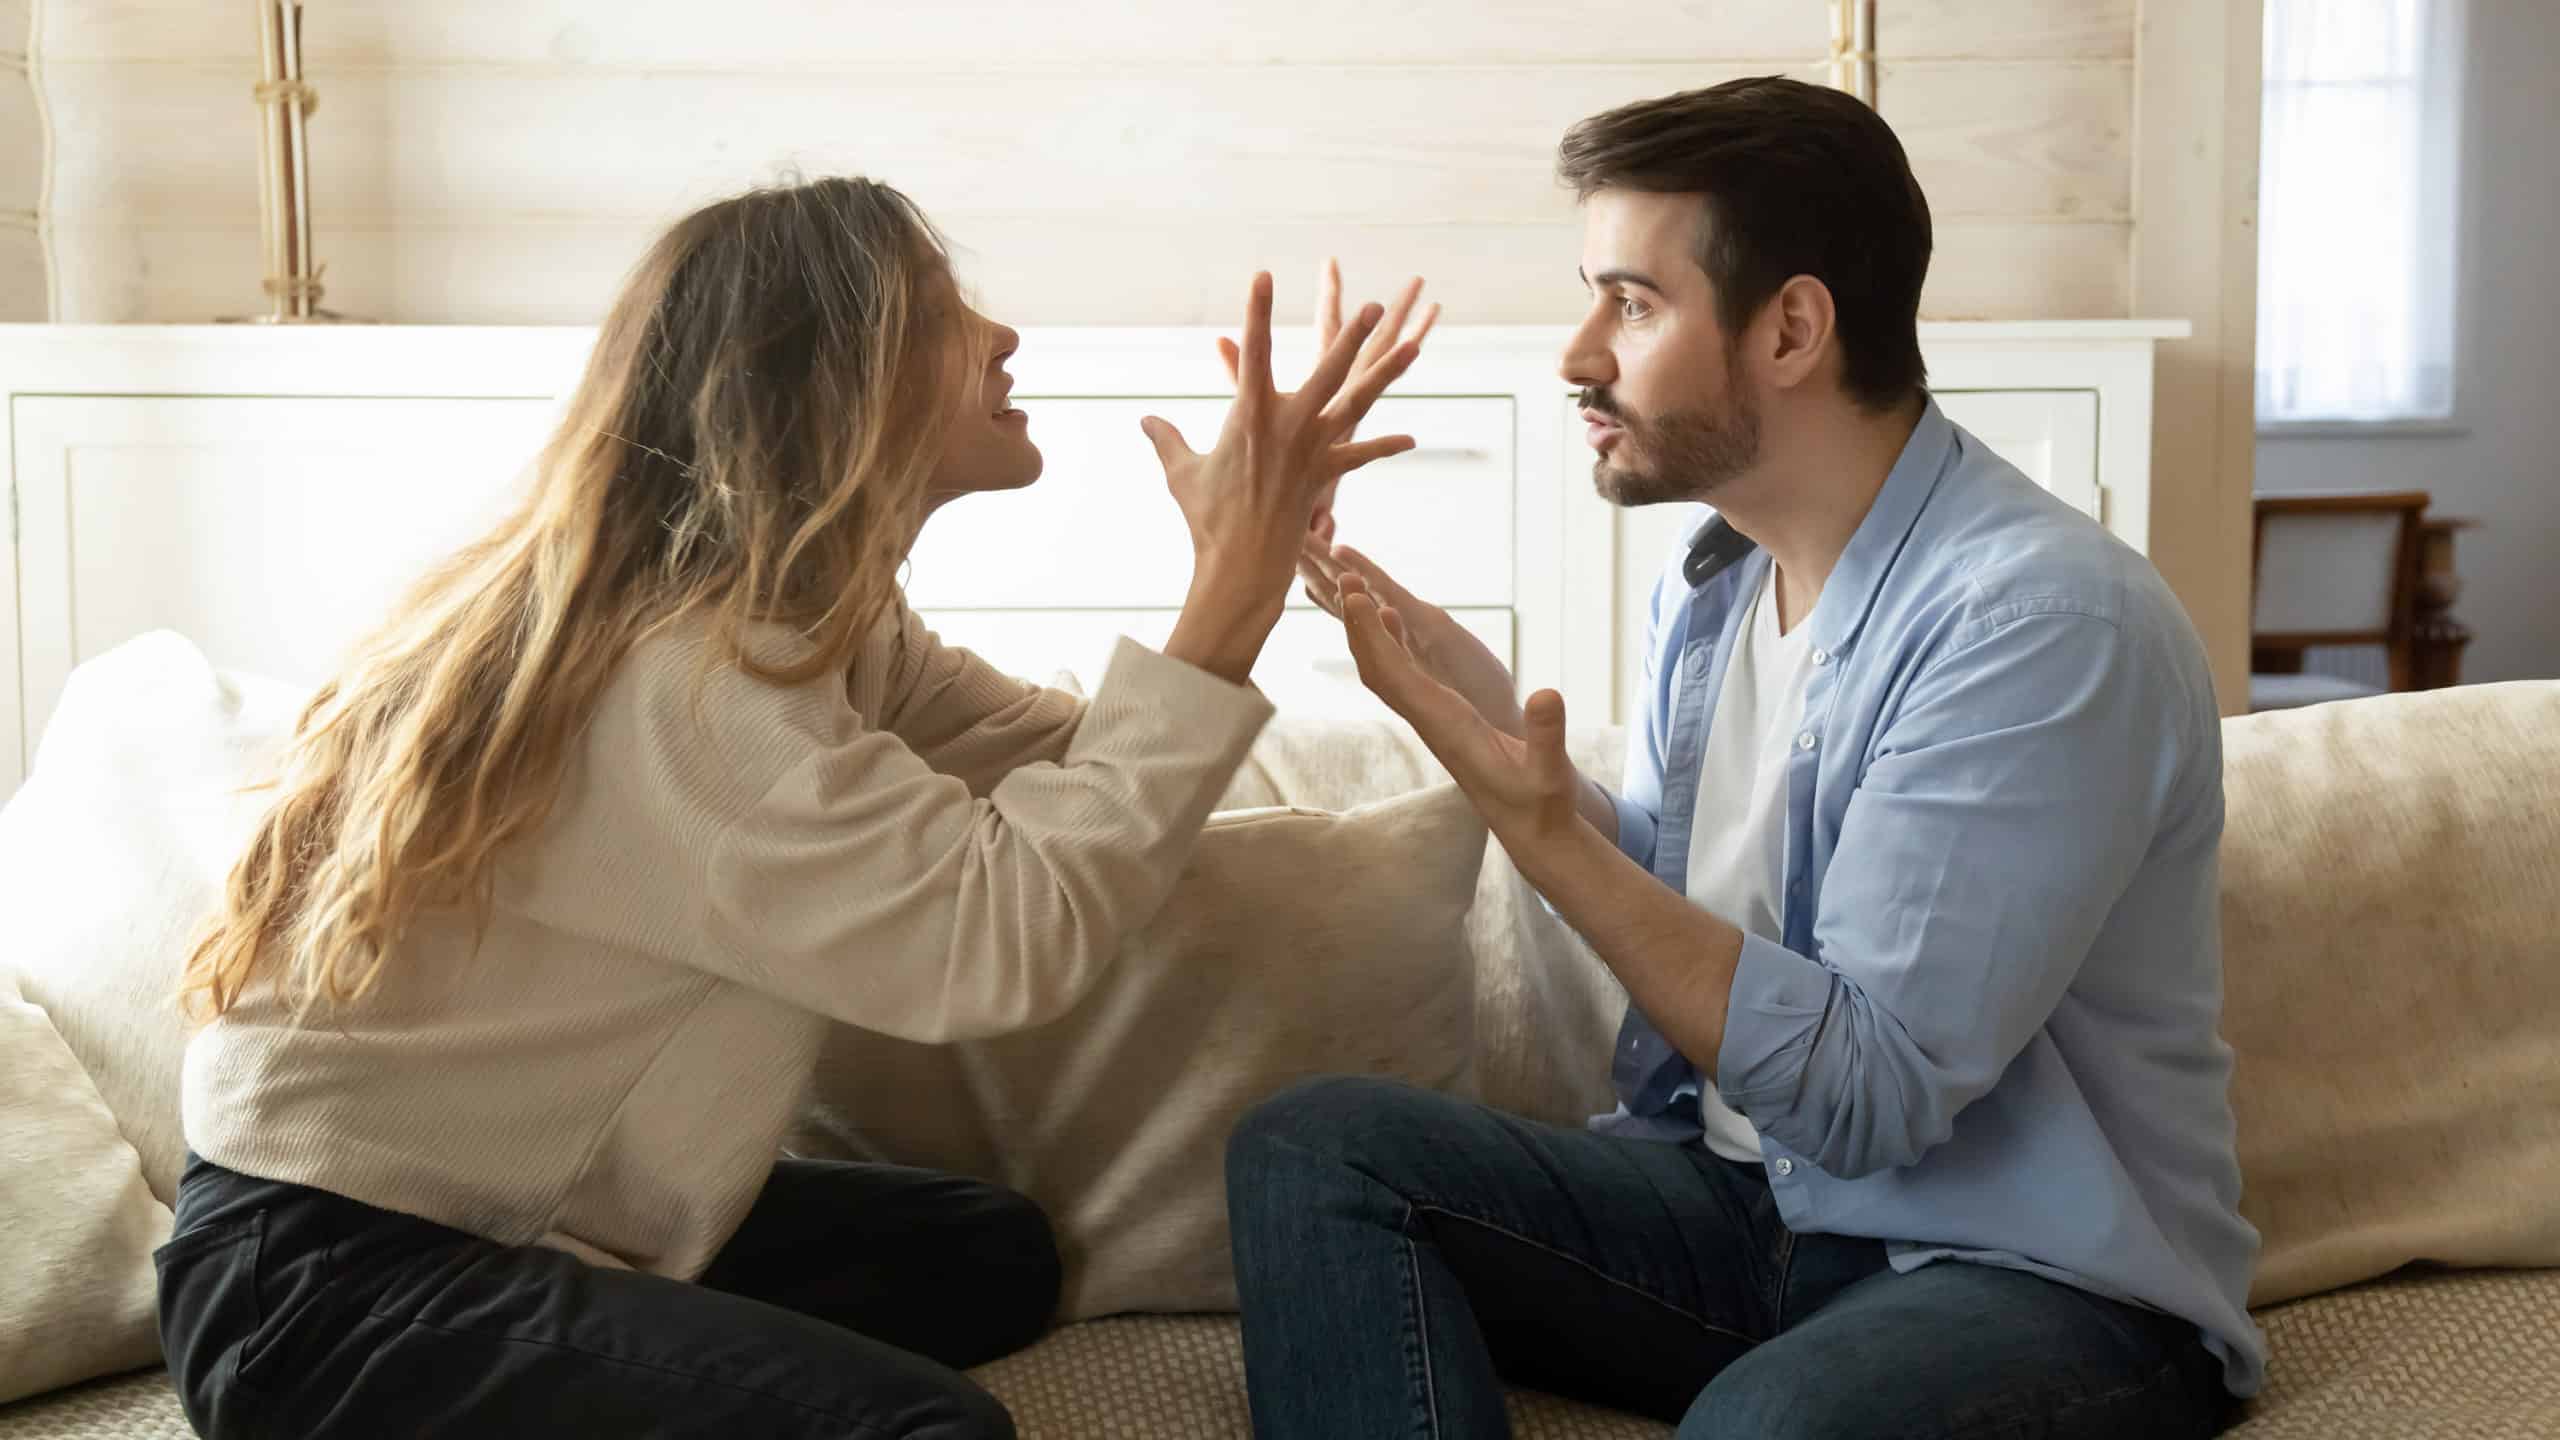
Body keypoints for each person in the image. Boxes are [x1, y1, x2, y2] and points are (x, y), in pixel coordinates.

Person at [153, 175, 1430, 1440]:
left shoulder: (813, 629)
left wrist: (1255, 576)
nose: (1002, 338)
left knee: (993, 1259)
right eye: (942, 313)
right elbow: (995, 942)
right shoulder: (684, 689)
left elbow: (1092, 774)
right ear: (828, 381)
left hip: (502, 1216)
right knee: (931, 1435)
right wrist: (1226, 595)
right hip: (328, 1292)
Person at [1234, 77, 2267, 1439]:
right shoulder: (1717, 581)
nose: (1575, 354)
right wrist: (1473, 724)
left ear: (1790, 327)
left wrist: (1537, 832)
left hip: (2023, 1275)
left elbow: (1871, 1094)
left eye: (1633, 304)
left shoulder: (2039, 623)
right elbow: (1683, 914)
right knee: (1315, 1151)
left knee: (1771, 1430)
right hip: (1749, 1208)